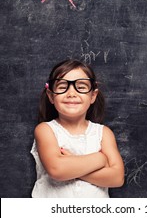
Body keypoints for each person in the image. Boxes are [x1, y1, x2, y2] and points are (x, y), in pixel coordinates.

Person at [31, 59, 124, 197]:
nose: (71, 93)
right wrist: (100, 159)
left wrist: (73, 164)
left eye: (81, 87)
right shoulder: (45, 130)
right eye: (62, 87)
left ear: (93, 96)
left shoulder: (103, 133)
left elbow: (117, 178)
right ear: (51, 96)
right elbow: (57, 169)